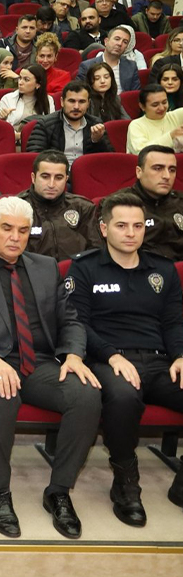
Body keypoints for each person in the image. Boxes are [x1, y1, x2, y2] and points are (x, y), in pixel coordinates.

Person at [0, 196, 102, 540]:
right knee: (2, 393)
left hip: (38, 362)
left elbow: (71, 320)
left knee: (86, 394)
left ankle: (59, 491)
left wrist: (73, 355)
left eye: (22, 230)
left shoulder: (47, 267)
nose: (15, 237)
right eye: (7, 228)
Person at [67, 193, 183, 526]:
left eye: (138, 225)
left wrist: (180, 355)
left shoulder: (163, 269)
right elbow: (77, 322)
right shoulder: (85, 267)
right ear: (104, 229)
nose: (131, 233)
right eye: (121, 226)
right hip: (108, 359)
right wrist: (112, 356)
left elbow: (173, 321)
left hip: (160, 361)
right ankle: (126, 482)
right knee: (123, 397)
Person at [16, 150, 100, 260]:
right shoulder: (17, 208)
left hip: (76, 269)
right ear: (33, 178)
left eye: (58, 178)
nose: (51, 184)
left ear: (66, 179)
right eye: (45, 177)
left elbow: (96, 251)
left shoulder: (83, 207)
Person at [113, 145, 183, 260]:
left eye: (172, 170)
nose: (167, 176)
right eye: (158, 168)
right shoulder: (119, 204)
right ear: (139, 172)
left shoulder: (180, 201)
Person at [24, 81, 112, 163]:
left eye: (82, 102)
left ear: (88, 103)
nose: (76, 107)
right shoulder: (45, 124)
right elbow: (34, 157)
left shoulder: (95, 123)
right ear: (62, 102)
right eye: (71, 101)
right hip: (56, 172)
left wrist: (97, 141)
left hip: (86, 172)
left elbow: (109, 159)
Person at [76, 26, 140, 93]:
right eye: (117, 39)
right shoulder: (87, 66)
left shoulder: (131, 66)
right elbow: (79, 93)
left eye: (125, 42)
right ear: (106, 41)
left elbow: (135, 94)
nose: (120, 44)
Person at [127, 85, 183, 153]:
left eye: (164, 102)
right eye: (155, 105)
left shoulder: (177, 116)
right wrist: (170, 136)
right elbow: (141, 151)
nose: (162, 108)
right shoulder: (136, 125)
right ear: (142, 106)